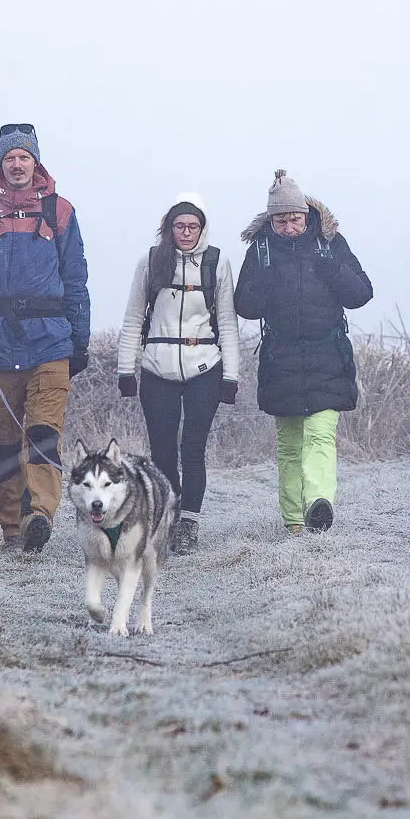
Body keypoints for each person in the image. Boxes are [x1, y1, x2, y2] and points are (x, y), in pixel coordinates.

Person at [0, 123, 92, 551]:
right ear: (0, 164)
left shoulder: (60, 211)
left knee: (44, 433)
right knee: (6, 442)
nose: (17, 164)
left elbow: (76, 279)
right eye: (10, 158)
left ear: (36, 162)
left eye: (24, 157)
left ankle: (40, 515)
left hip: (51, 340)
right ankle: (11, 529)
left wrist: (79, 340)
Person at [232, 170, 373, 534]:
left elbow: (361, 293)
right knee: (291, 444)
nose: (290, 226)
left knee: (320, 435)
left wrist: (330, 267)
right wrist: (263, 279)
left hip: (328, 357)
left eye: (295, 218)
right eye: (282, 220)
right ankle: (295, 519)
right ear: (272, 219)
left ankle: (319, 504)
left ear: (307, 214)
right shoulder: (260, 250)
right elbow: (244, 306)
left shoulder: (331, 242)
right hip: (282, 360)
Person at [116, 193, 241, 556]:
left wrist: (230, 376)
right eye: (179, 225)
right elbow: (132, 317)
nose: (186, 232)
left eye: (193, 226)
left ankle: (189, 522)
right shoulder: (151, 261)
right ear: (169, 228)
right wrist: (126, 370)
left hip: (205, 366)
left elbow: (229, 324)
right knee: (162, 452)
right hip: (157, 367)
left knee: (193, 449)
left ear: (202, 227)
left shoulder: (217, 262)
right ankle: (167, 519)